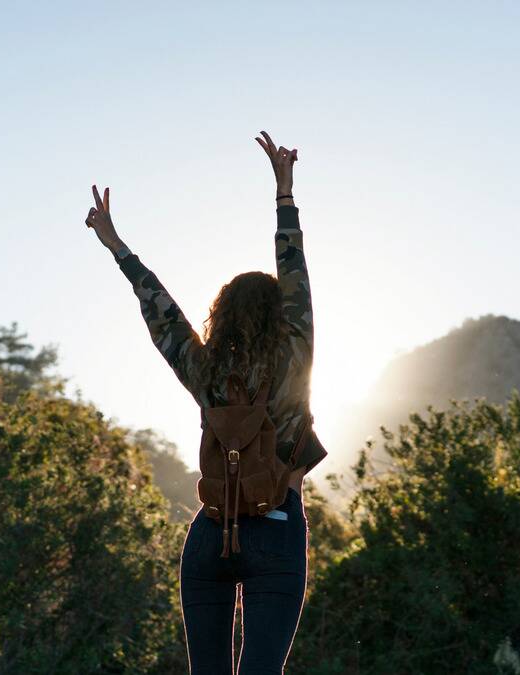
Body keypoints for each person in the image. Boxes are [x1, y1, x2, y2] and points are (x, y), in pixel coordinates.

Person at [84, 130, 325, 673]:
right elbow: (297, 275)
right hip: (277, 527)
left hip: (209, 532)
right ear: (278, 313)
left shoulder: (205, 369)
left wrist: (117, 246)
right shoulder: (294, 354)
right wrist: (284, 194)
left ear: (225, 314)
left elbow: (161, 311)